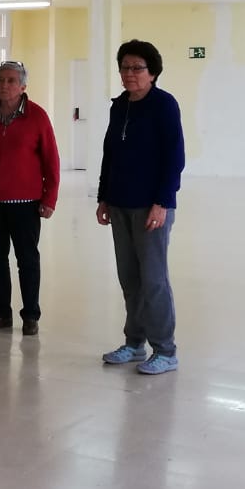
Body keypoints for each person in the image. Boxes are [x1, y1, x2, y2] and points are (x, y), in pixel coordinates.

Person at [96, 40, 185, 375]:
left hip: (151, 207)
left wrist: (162, 203)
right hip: (120, 203)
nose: (129, 73)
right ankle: (134, 343)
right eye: (125, 67)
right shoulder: (119, 106)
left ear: (153, 72)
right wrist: (103, 197)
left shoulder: (164, 105)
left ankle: (165, 350)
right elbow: (110, 153)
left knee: (153, 279)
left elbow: (174, 158)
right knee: (129, 278)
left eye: (137, 68)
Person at [0, 59, 59, 335]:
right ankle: (2, 314)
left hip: (25, 203)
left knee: (27, 260)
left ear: (22, 86)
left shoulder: (37, 117)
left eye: (11, 81)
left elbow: (51, 161)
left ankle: (30, 315)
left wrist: (49, 199)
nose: (4, 85)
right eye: (0, 80)